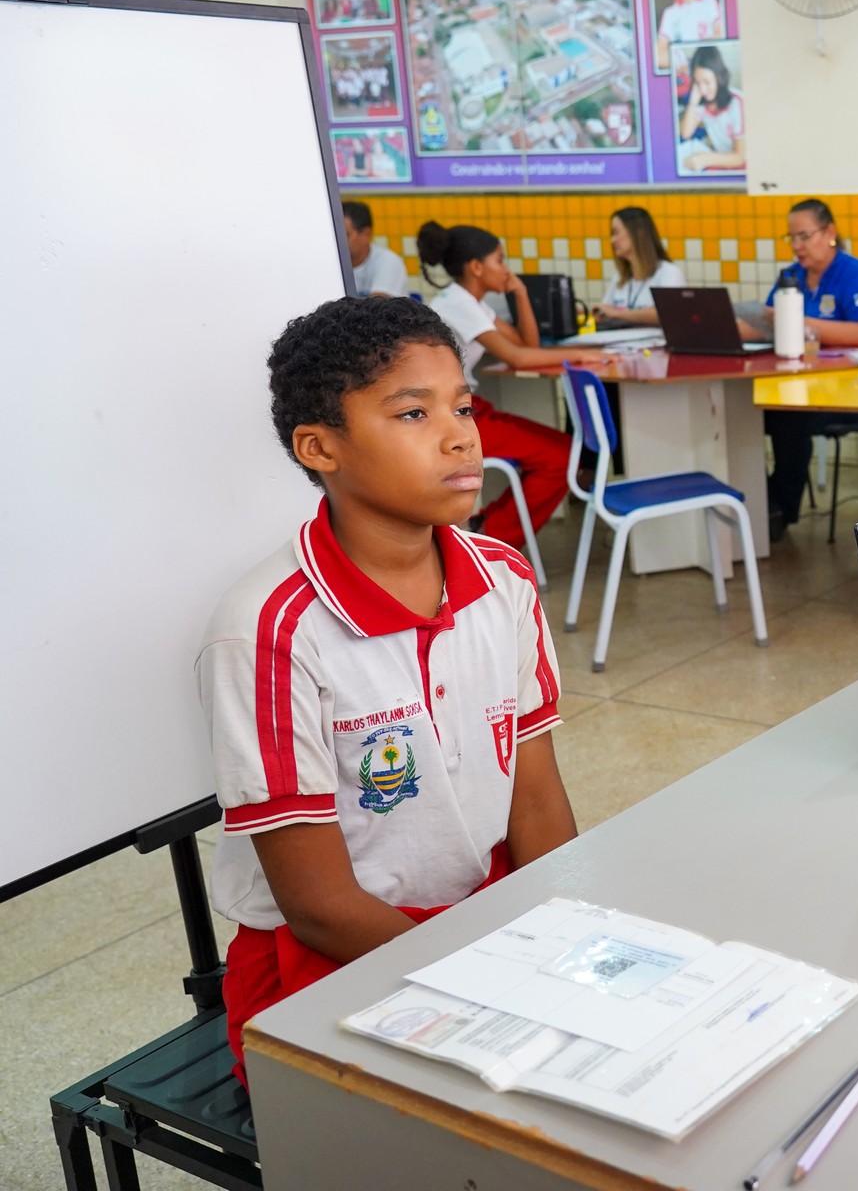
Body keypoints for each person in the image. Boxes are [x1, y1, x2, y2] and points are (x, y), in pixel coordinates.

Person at [204, 296, 579, 1085]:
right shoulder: (271, 630)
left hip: (486, 917)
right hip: (325, 964)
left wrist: (564, 940)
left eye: (464, 407)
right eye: (413, 413)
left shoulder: (503, 581)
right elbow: (316, 904)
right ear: (321, 447)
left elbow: (536, 800)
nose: (461, 436)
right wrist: (487, 985)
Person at [417, 220, 605, 545]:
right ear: (476, 267)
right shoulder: (457, 304)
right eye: (499, 260)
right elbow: (518, 358)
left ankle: (486, 526)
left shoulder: (471, 302)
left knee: (562, 450)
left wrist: (520, 293)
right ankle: (495, 539)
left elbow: (526, 346)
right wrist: (587, 356)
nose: (505, 269)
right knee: (559, 459)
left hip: (466, 409)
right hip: (450, 419)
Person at [760, 199, 858, 540]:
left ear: (829, 233)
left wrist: (799, 321)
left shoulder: (854, 272)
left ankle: (777, 508)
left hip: (847, 390)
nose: (797, 246)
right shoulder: (792, 276)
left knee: (789, 418)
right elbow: (769, 323)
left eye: (804, 236)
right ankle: (759, 499)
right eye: (791, 238)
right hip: (796, 383)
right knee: (745, 413)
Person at [595, 206, 686, 327]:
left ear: (638, 232)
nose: (612, 240)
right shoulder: (620, 277)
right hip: (619, 343)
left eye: (616, 233)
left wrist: (617, 313)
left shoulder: (668, 272)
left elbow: (668, 313)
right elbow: (606, 311)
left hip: (655, 344)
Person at [676, 45, 745, 173]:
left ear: (719, 78)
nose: (702, 90)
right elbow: (685, 133)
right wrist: (693, 102)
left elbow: (740, 157)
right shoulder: (703, 102)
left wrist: (705, 159)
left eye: (707, 82)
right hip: (721, 160)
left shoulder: (737, 102)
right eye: (697, 82)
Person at [341, 201, 407, 298]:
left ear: (366, 234)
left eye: (345, 234)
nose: (339, 241)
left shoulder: (388, 260)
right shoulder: (329, 265)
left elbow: (377, 309)